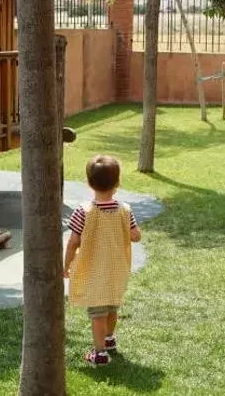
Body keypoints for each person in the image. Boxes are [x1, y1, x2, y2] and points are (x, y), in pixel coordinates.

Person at [63, 155, 142, 366]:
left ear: (89, 183)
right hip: (117, 270)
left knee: (98, 313)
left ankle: (99, 354)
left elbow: (73, 242)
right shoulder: (125, 210)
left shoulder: (83, 212)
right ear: (117, 183)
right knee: (112, 307)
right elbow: (136, 236)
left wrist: (66, 264)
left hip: (94, 271)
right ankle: (109, 339)